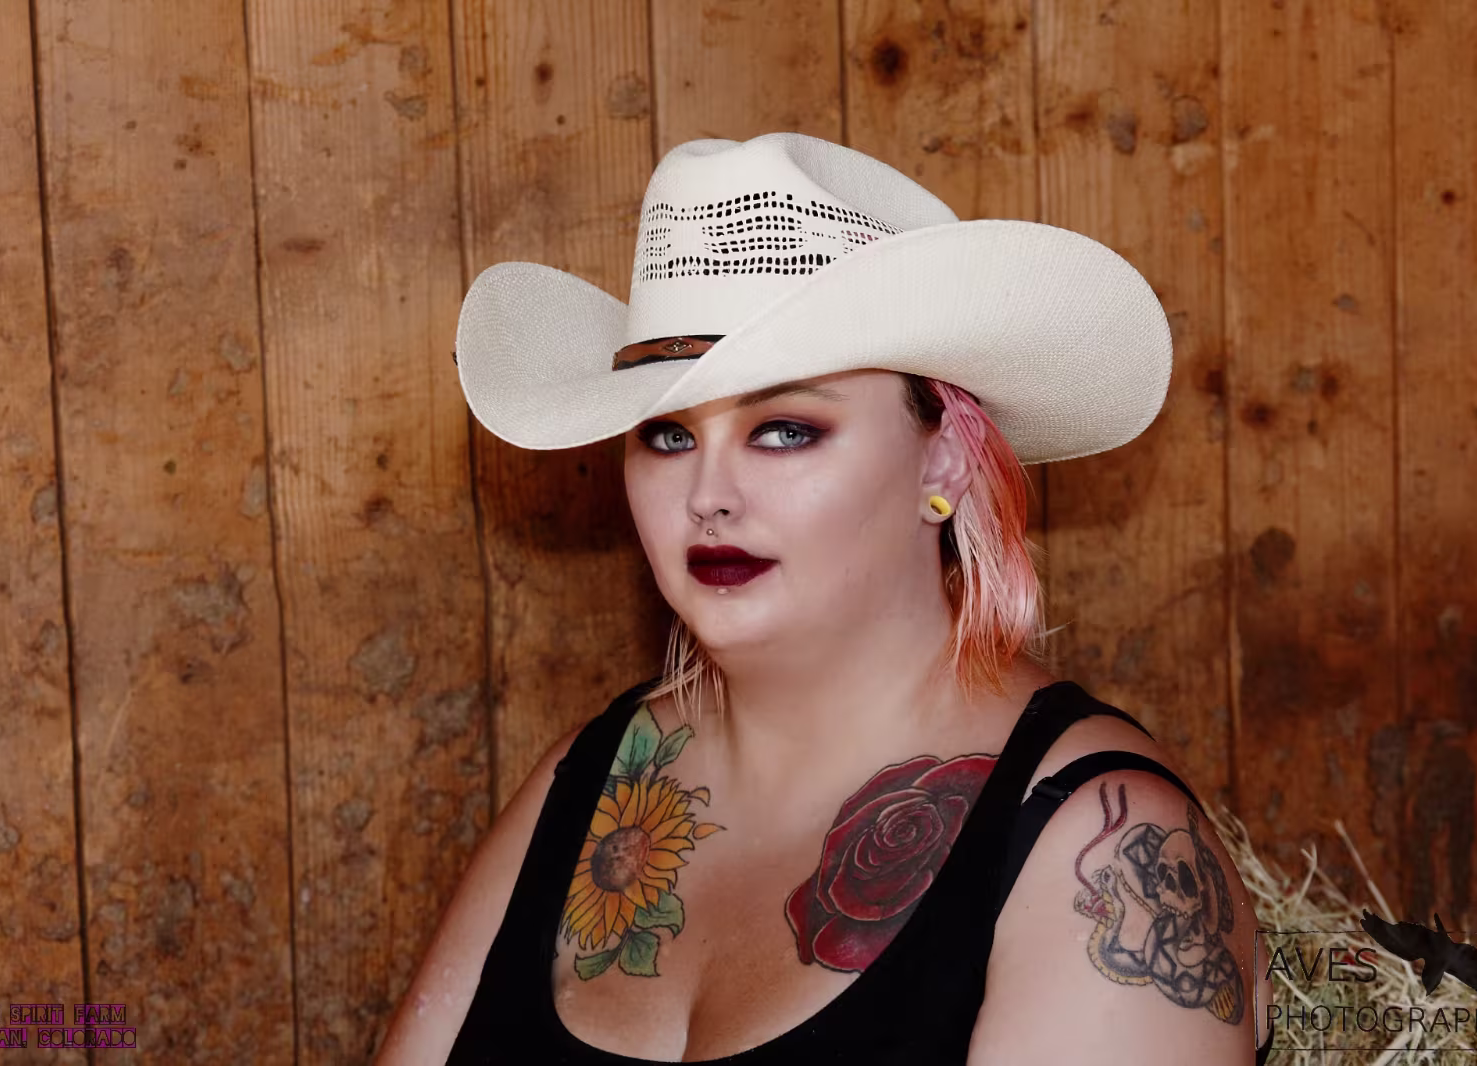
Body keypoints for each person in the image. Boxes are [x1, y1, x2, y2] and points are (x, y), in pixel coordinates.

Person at [378, 132, 1276, 1064]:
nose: (708, 497)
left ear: (945, 460)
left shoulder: (1103, 852)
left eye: (784, 430)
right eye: (668, 436)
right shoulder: (584, 778)